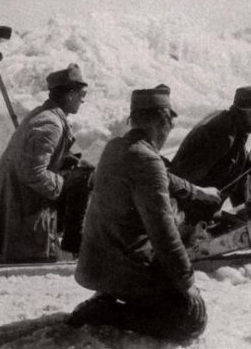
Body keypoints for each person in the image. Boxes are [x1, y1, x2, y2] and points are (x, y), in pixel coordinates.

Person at [67, 84, 207, 342]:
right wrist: (187, 283)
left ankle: (106, 298)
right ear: (162, 120)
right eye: (171, 122)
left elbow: (161, 176)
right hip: (121, 267)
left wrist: (196, 191)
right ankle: (108, 312)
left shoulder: (115, 147)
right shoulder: (148, 160)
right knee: (192, 320)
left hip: (95, 264)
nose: (171, 129)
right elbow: (162, 231)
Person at [0, 63, 89, 262]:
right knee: (83, 179)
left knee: (81, 172)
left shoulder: (46, 114)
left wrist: (65, 161)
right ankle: (71, 245)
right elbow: (33, 173)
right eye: (82, 93)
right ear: (70, 95)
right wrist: (63, 182)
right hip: (19, 198)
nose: (83, 99)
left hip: (12, 193)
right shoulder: (50, 124)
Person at [169, 83, 251, 221]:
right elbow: (187, 174)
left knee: (240, 166)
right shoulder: (224, 135)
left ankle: (244, 217)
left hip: (195, 203)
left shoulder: (229, 123)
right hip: (188, 211)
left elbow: (241, 156)